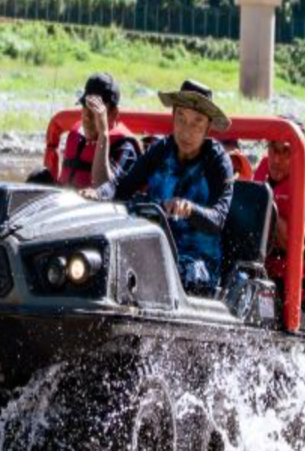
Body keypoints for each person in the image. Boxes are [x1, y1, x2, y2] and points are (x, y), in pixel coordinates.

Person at [86, 80, 234, 294]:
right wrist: (97, 194)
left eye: (197, 122)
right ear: (173, 117)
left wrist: (190, 210)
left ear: (208, 127)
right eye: (181, 119)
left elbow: (218, 219)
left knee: (158, 274)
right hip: (154, 253)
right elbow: (121, 187)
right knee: (104, 261)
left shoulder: (217, 161)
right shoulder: (162, 150)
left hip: (199, 265)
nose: (186, 131)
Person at [253, 126, 305, 311]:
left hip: (299, 290)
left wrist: (267, 212)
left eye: (286, 151)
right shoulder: (263, 171)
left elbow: (299, 243)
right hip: (263, 274)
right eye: (273, 148)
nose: (277, 159)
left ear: (299, 153)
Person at [57, 72, 140, 190]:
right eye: (85, 106)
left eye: (95, 110)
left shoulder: (125, 148)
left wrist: (103, 134)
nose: (86, 116)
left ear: (114, 113)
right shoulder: (77, 136)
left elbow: (104, 189)